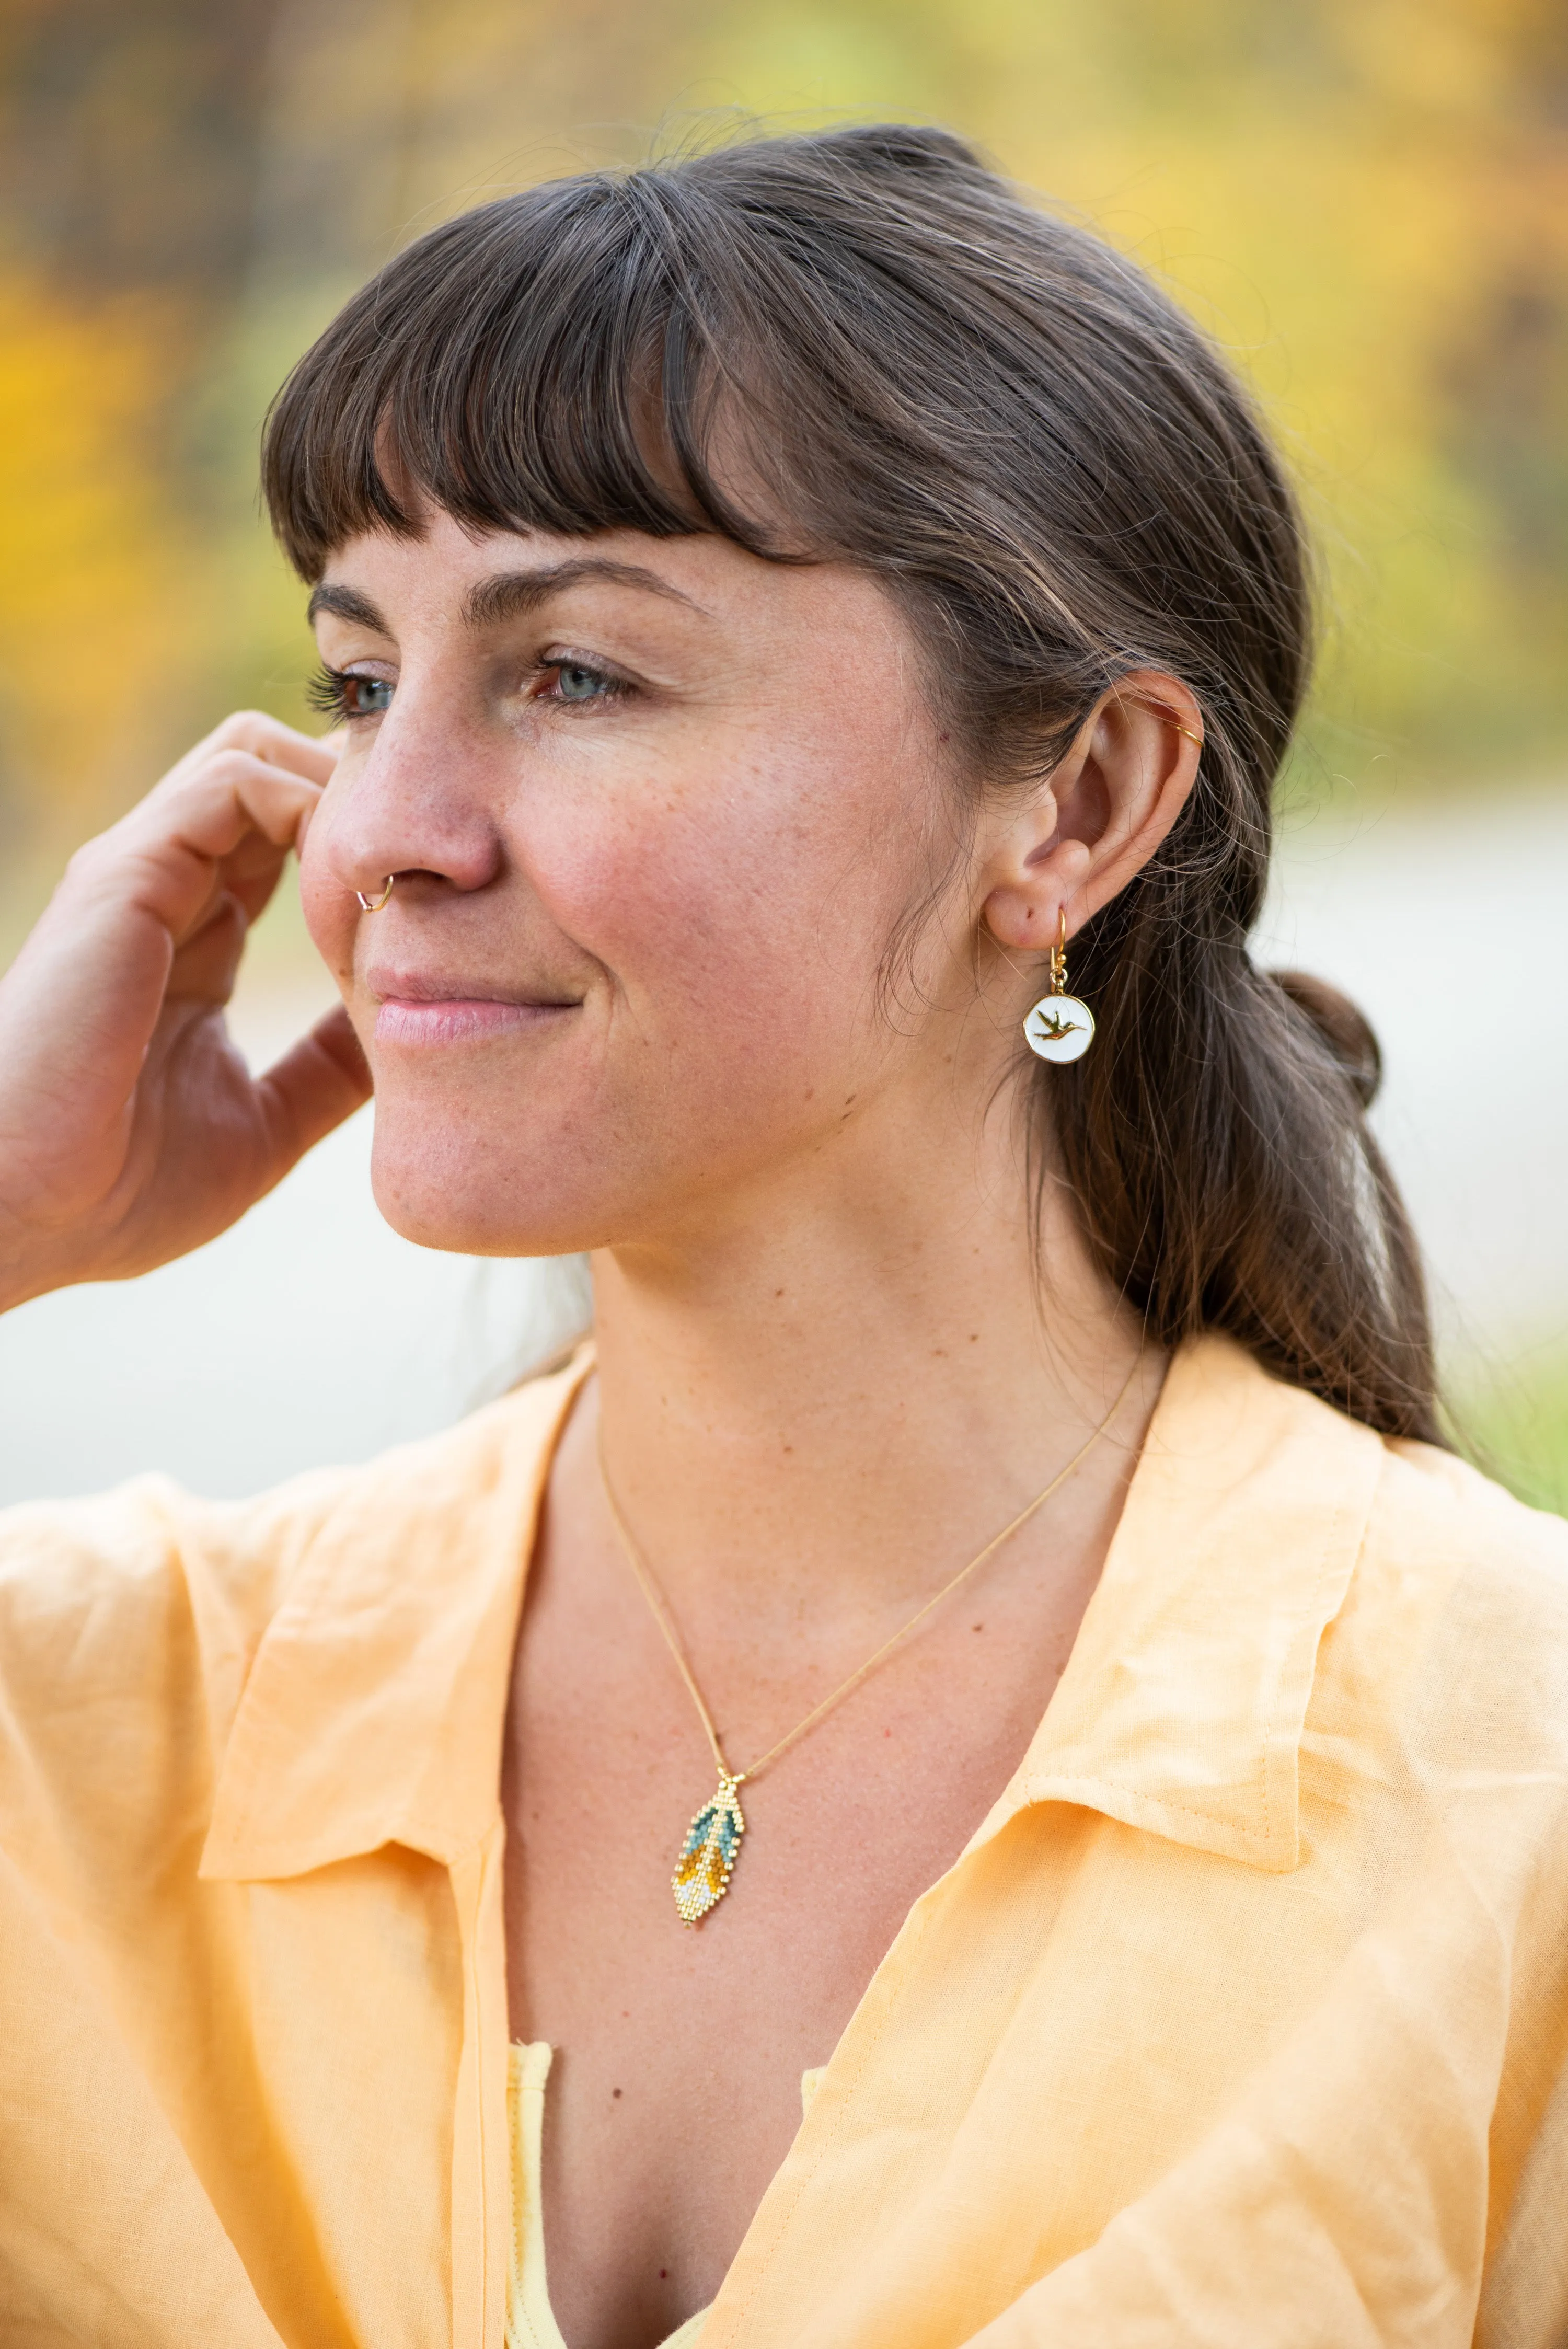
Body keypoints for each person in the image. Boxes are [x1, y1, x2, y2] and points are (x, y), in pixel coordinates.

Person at [0, 122, 1564, 2349]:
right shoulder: (108, 1714)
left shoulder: (1508, 1785)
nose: (381, 837)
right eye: (361, 683)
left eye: (576, 677)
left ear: (1086, 800)